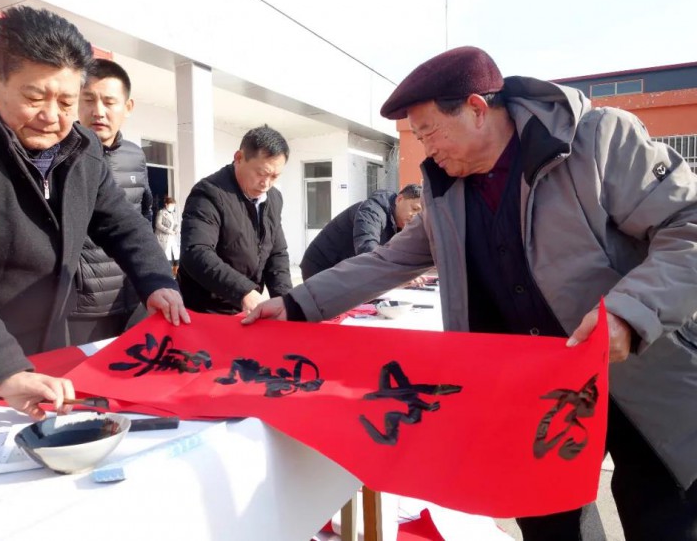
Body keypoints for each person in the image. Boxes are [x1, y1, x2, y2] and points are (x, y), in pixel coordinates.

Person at [243, 46, 697, 541]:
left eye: (428, 131)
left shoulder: (594, 141)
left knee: (661, 520)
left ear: (477, 109)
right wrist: (295, 305)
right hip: (536, 396)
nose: (425, 148)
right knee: (551, 526)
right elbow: (386, 260)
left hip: (643, 378)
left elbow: (688, 224)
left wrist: (630, 313)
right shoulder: (447, 193)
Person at [0, 6, 189, 422]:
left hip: (48, 353)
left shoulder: (82, 146)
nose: (51, 117)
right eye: (34, 98)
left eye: (67, 102)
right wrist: (1, 368)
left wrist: (157, 281)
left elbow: (121, 222)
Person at [68, 58, 154, 344]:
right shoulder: (60, 154)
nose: (98, 111)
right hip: (82, 306)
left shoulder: (135, 155)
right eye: (88, 99)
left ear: (127, 107)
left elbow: (144, 218)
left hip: (132, 297)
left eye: (109, 102)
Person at [178, 125, 292, 315]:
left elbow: (277, 253)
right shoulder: (209, 193)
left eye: (274, 176)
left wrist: (285, 300)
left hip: (246, 310)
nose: (266, 183)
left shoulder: (273, 198)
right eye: (261, 173)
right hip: (206, 311)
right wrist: (243, 291)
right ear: (239, 158)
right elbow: (196, 252)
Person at [299, 183, 423, 280]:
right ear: (399, 199)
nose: (415, 216)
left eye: (420, 214)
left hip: (345, 269)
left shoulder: (401, 224)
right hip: (322, 266)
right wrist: (398, 275)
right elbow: (367, 247)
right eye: (414, 209)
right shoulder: (372, 211)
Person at [155, 196, 181, 277]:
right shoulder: (161, 212)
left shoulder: (173, 213)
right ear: (166, 204)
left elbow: (176, 224)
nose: (172, 207)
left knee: (176, 253)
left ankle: (176, 272)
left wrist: (176, 229)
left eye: (173, 205)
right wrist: (168, 230)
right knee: (167, 254)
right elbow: (158, 224)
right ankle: (168, 274)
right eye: (171, 205)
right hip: (164, 237)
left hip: (172, 236)